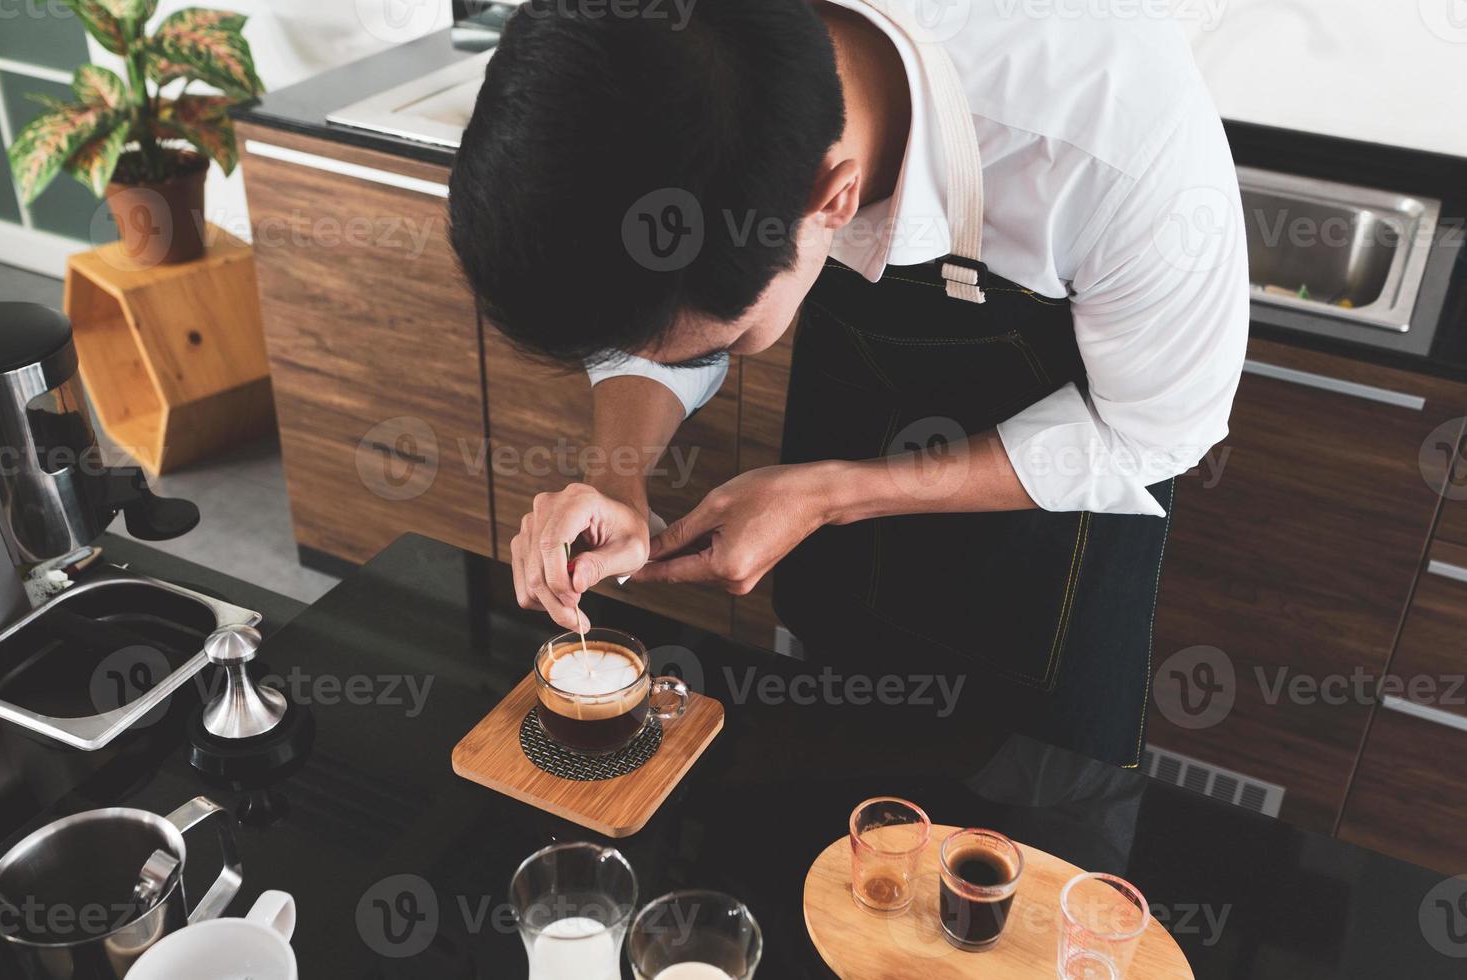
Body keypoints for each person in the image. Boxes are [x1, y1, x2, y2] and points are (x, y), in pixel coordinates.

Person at [448, 0, 1248, 766]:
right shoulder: (686, 47)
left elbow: (1151, 431)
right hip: (840, 591)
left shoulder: (1119, 146)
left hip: (1043, 612)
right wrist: (615, 475)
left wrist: (828, 495)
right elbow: (656, 308)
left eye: (713, 336)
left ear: (834, 200)